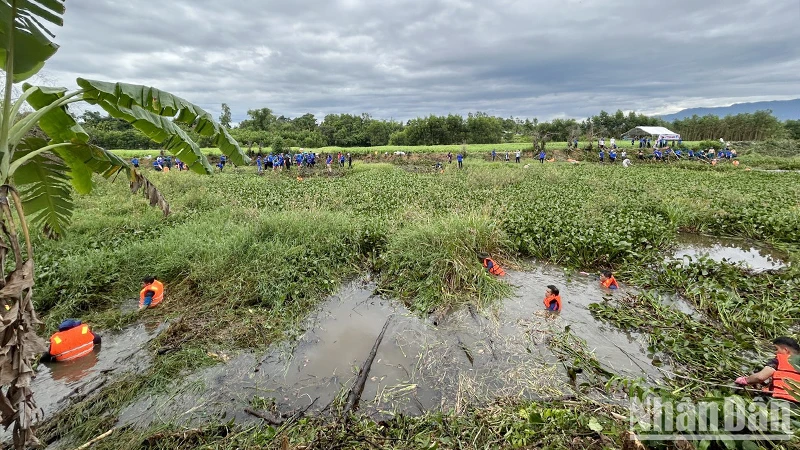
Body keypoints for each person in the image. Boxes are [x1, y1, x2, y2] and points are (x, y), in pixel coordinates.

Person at [736, 337, 800, 403]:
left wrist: (745, 380)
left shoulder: (779, 360)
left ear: (785, 350)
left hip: (779, 401)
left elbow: (760, 377)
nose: (775, 352)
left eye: (776, 349)